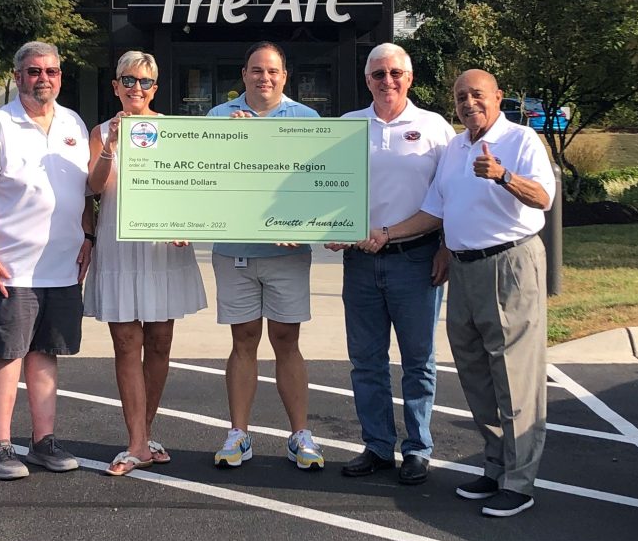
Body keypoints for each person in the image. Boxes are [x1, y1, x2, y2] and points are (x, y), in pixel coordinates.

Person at [367, 69, 557, 517]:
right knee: (475, 372)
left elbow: (544, 197)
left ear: (498, 97)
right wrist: (384, 233)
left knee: (515, 375)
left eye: (477, 95)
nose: (469, 103)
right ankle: (494, 467)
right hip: (463, 268)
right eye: (460, 97)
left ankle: (519, 481)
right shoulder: (455, 147)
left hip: (510, 264)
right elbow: (433, 210)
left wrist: (503, 175)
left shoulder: (522, 140)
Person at [0, 40, 92, 481]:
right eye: (34, 71)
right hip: (10, 267)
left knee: (45, 353)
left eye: (51, 71)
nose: (43, 79)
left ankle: (42, 441)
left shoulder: (73, 123)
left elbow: (85, 192)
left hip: (62, 268)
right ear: (18, 77)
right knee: (5, 354)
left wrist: (88, 236)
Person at [333, 43, 453, 485]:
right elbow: (324, 190)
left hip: (416, 260)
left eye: (395, 73)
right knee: (366, 360)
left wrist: (445, 247)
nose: (388, 81)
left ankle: (418, 448)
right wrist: (327, 228)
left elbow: (449, 195)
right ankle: (378, 446)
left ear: (410, 77)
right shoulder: (348, 127)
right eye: (379, 74)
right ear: (367, 80)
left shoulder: (435, 127)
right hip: (360, 261)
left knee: (419, 360)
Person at [85, 50, 208, 476]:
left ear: (155, 88)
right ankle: (136, 440)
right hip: (120, 246)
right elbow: (95, 188)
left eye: (144, 81)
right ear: (115, 85)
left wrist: (188, 222)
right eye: (128, 79)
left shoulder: (172, 129)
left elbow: (191, 187)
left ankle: (144, 434)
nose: (136, 87)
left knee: (159, 342)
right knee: (125, 342)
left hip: (162, 247)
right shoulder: (102, 131)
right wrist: (111, 148)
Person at [206, 41, 324, 469]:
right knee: (243, 341)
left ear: (285, 76)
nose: (265, 78)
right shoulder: (219, 118)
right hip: (234, 251)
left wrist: (309, 225)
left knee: (287, 341)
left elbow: (317, 182)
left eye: (272, 71)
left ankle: (300, 435)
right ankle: (239, 434)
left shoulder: (306, 119)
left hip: (286, 254)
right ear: (244, 75)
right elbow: (201, 178)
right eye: (257, 70)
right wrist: (231, 142)